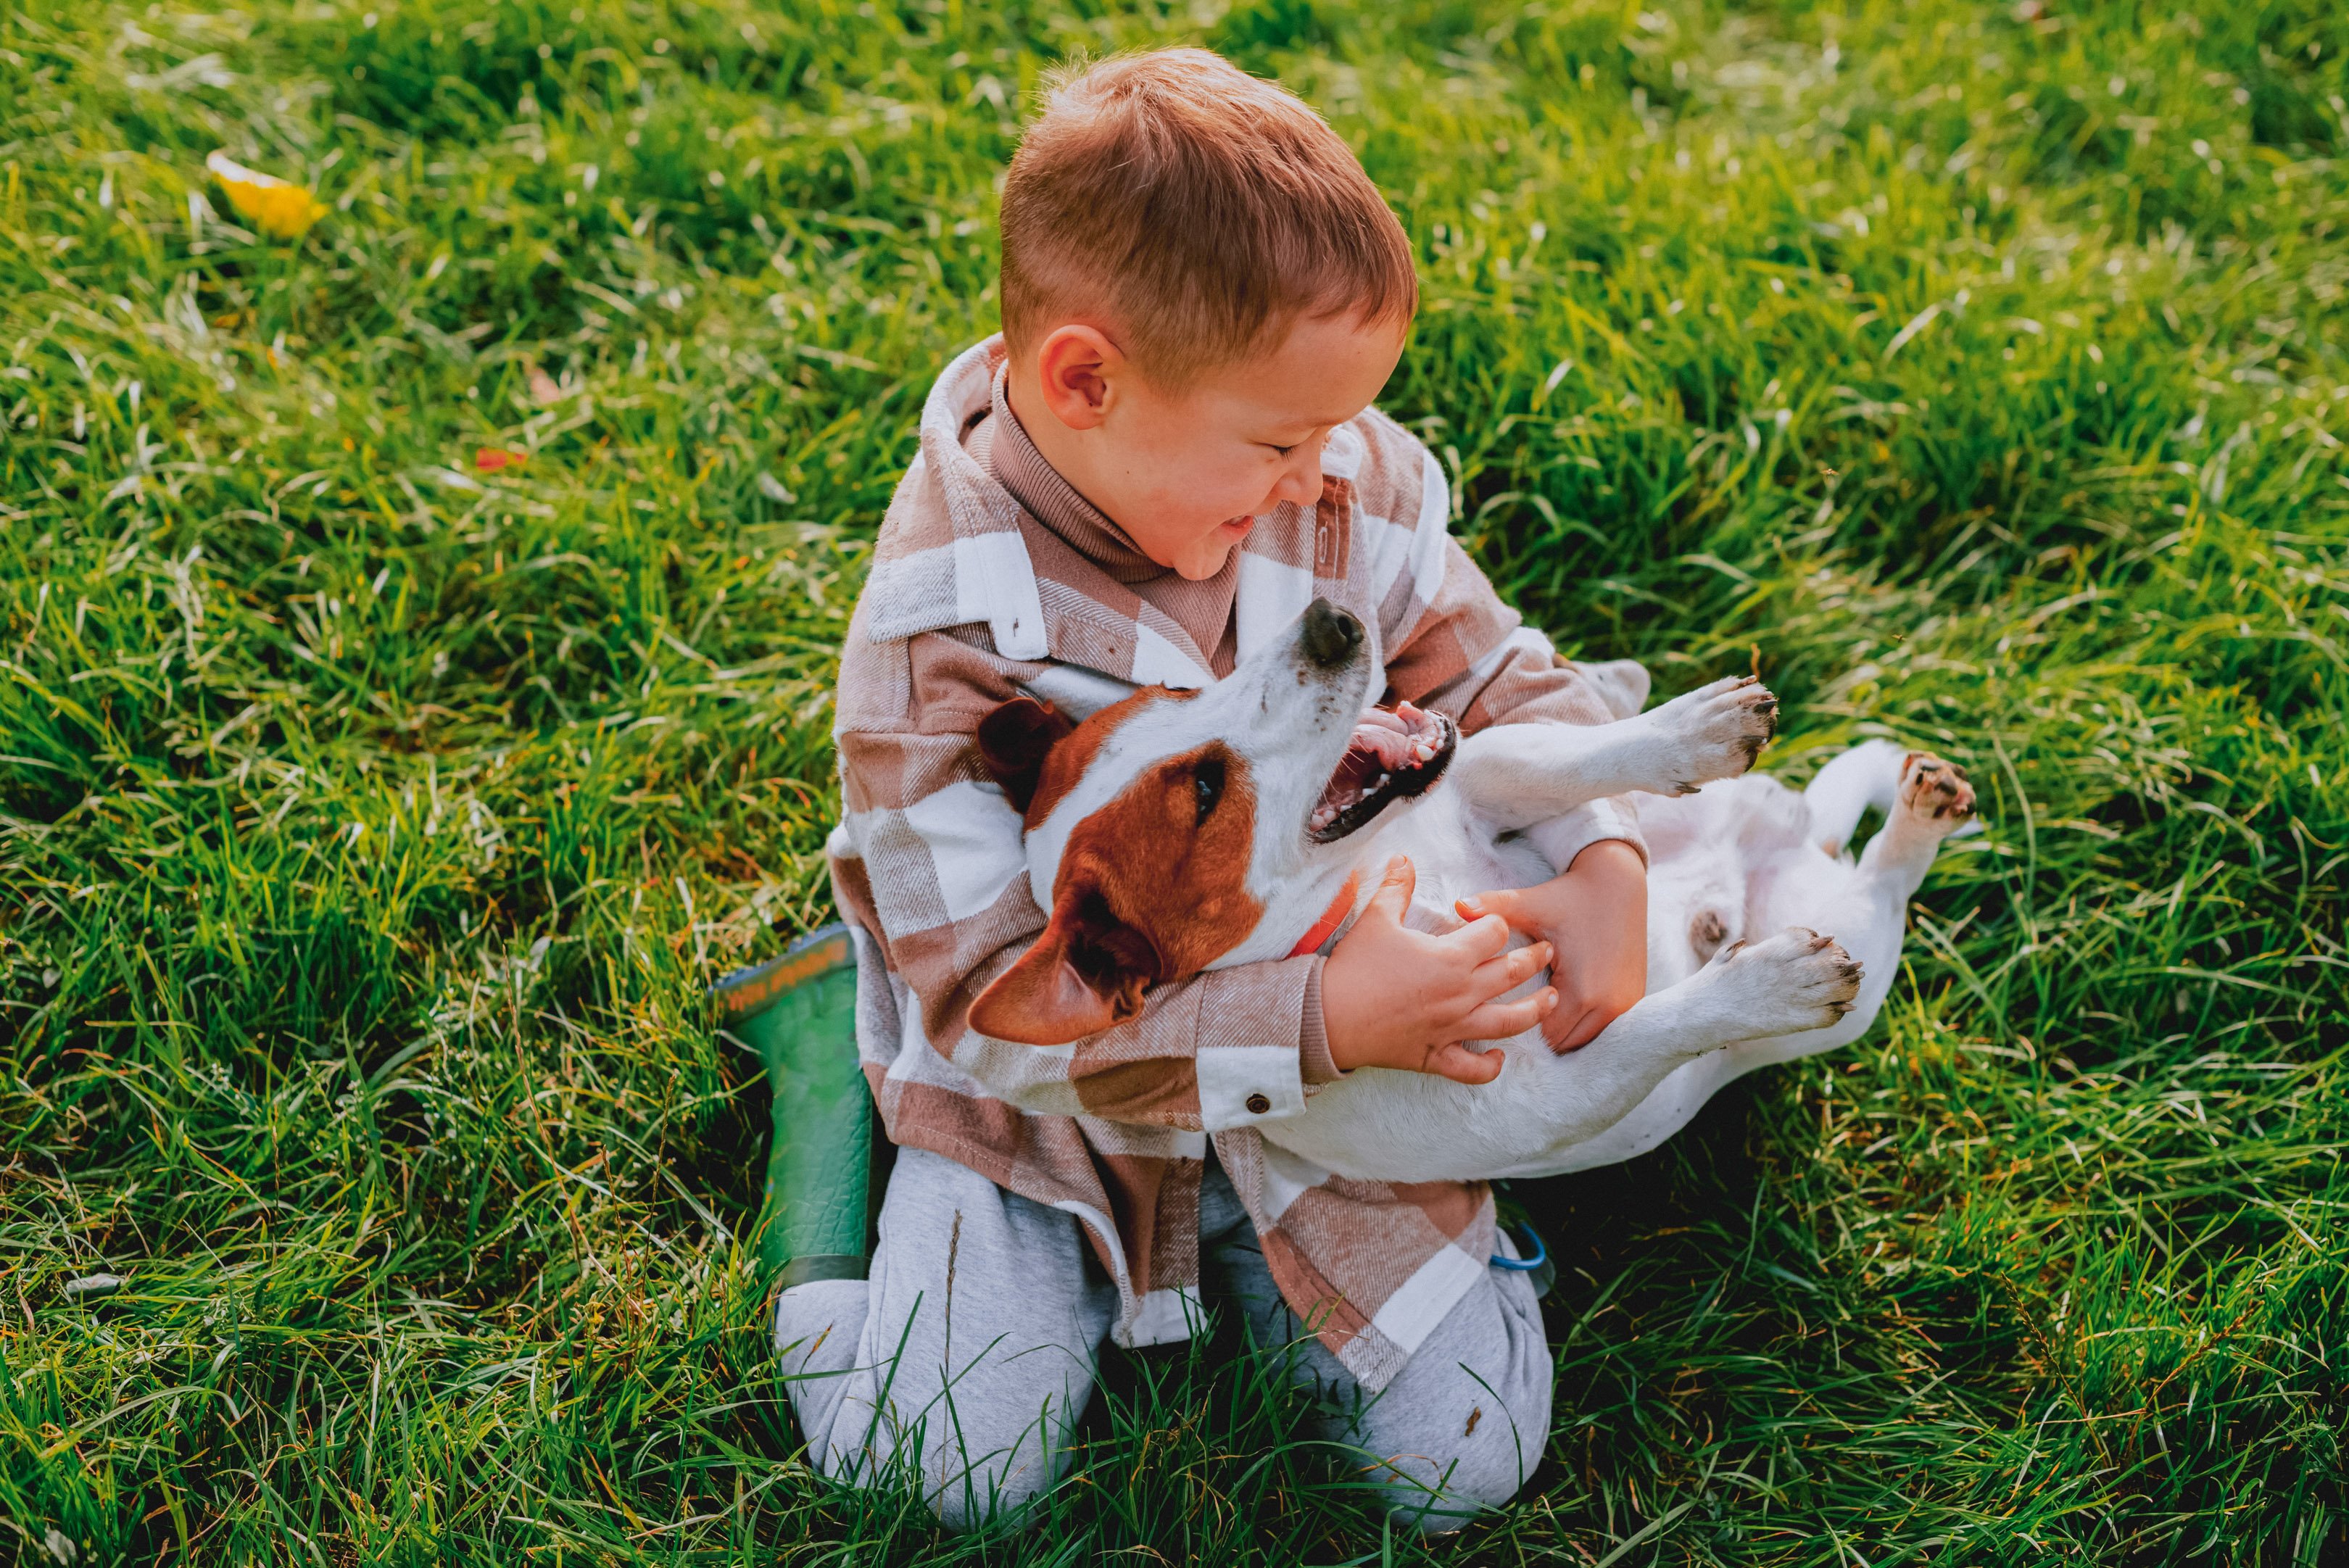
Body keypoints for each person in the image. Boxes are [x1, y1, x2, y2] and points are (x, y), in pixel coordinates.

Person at [754, 46, 1649, 1533]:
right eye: (1282, 440)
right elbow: (1001, 1017)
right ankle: (820, 1093)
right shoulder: (933, 645)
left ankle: (1451, 1198)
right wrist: (1328, 1016)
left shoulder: (1326, 474)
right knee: (941, 1474)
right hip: (1048, 1108)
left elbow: (1492, 664)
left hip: (1337, 1078)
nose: (1317, 479)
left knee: (1465, 1459)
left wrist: (1605, 857)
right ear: (1086, 379)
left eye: (1335, 434)